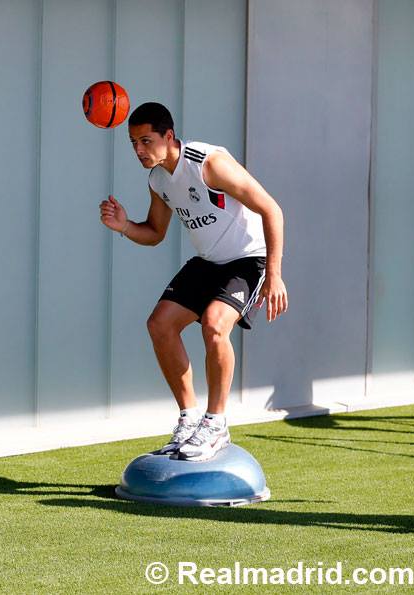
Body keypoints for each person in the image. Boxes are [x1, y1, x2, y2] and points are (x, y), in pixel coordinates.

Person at [100, 102, 287, 462]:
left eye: (146, 140)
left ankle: (216, 424)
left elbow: (271, 209)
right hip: (209, 262)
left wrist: (275, 274)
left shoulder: (208, 164)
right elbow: (155, 232)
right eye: (133, 143)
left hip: (248, 258)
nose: (138, 150)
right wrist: (124, 226)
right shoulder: (158, 179)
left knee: (214, 325)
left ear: (169, 136)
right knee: (159, 325)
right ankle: (189, 419)